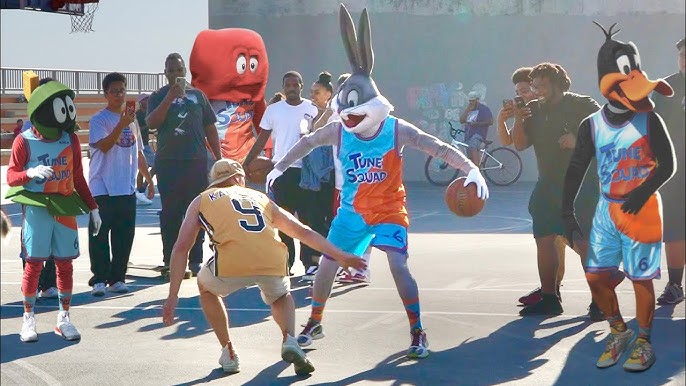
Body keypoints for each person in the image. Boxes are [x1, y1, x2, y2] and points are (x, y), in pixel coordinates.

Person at [265, 4, 489, 359]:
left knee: (399, 266)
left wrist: (470, 169)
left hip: (388, 210)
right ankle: (316, 321)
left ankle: (418, 331)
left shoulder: (395, 129)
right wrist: (279, 165)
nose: (350, 113)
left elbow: (439, 147)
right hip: (352, 212)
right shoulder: (339, 131)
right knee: (326, 263)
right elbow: (306, 143)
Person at [161, 158, 366, 376]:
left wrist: (172, 296)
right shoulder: (261, 198)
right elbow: (302, 232)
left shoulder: (202, 200)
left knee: (206, 288)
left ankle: (229, 352)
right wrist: (340, 255)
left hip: (231, 261)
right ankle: (289, 339)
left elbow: (181, 248)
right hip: (272, 259)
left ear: (214, 181)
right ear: (239, 178)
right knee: (280, 295)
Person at [562, 23, 675, 371]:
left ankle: (643, 341)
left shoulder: (649, 119)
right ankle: (618, 331)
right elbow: (577, 168)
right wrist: (566, 212)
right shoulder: (591, 125)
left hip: (641, 210)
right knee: (595, 276)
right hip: (606, 210)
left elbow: (668, 164)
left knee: (641, 279)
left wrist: (642, 193)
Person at [511, 62, 613, 319]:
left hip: (580, 186)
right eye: (534, 86)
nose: (537, 91)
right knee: (544, 239)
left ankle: (599, 301)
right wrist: (518, 121)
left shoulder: (582, 104)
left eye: (542, 85)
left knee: (583, 242)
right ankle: (549, 299)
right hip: (547, 186)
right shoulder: (532, 110)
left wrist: (578, 141)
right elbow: (520, 145)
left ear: (558, 84)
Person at [6, 76, 101, 342]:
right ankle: (28, 319)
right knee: (34, 264)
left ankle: (64, 318)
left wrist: (93, 207)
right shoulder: (24, 141)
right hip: (37, 207)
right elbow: (11, 176)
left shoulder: (69, 140)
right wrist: (30, 172)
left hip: (65, 204)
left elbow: (78, 177)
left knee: (65, 263)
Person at [497, 67, 568, 307]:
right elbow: (510, 142)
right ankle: (551, 291)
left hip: (567, 182)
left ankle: (600, 279)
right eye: (519, 92)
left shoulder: (557, 108)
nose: (524, 95)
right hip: (547, 182)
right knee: (553, 240)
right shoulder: (529, 114)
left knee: (568, 239)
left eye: (527, 90)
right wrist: (503, 119)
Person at [146, 53, 221, 276]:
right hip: (169, 163)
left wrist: (218, 157)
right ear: (165, 72)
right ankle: (170, 259)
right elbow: (151, 122)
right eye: (171, 70)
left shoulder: (198, 96)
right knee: (171, 212)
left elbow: (210, 128)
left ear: (184, 71)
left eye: (179, 70)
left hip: (196, 161)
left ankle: (195, 259)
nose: (175, 74)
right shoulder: (158, 96)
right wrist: (170, 97)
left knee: (196, 211)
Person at [243, 70, 321, 275]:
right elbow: (262, 138)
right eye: (288, 85)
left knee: (307, 220)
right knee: (283, 221)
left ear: (301, 86)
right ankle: (286, 263)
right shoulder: (274, 110)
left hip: (306, 171)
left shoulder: (312, 109)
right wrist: (247, 162)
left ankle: (310, 263)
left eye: (296, 84)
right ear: (284, 87)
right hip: (280, 171)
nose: (292, 88)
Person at [87, 72, 155, 296]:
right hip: (102, 187)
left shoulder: (132, 120)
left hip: (126, 187)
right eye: (114, 91)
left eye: (122, 90)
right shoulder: (99, 120)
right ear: (106, 94)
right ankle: (99, 278)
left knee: (124, 236)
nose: (119, 95)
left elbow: (139, 153)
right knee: (99, 236)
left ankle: (117, 278)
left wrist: (148, 180)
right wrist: (121, 124)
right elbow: (104, 146)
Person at [654, 37, 685, 305]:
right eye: (682, 55)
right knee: (675, 229)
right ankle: (675, 285)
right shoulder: (666, 88)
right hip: (674, 171)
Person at [297, 71, 337, 281]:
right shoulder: (308, 113)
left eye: (317, 92)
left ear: (329, 94)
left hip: (334, 176)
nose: (312, 95)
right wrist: (324, 114)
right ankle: (311, 263)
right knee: (310, 220)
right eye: (311, 92)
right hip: (312, 177)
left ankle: (333, 262)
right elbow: (308, 130)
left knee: (331, 221)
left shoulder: (340, 113)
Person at [459, 91, 493, 165]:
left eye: (473, 101)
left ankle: (477, 168)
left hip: (479, 133)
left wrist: (477, 124)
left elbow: (490, 121)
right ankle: (473, 168)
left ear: (477, 100)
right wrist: (467, 110)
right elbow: (461, 120)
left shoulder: (484, 109)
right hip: (468, 135)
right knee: (469, 155)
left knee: (473, 145)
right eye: (470, 101)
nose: (471, 102)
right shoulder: (468, 109)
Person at [134, 93, 155, 206]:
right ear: (141, 102)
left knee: (144, 168)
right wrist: (148, 126)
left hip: (145, 143)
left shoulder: (146, 113)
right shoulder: (138, 115)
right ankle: (142, 188)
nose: (148, 102)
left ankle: (140, 190)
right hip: (142, 144)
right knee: (155, 165)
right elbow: (138, 129)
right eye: (145, 100)